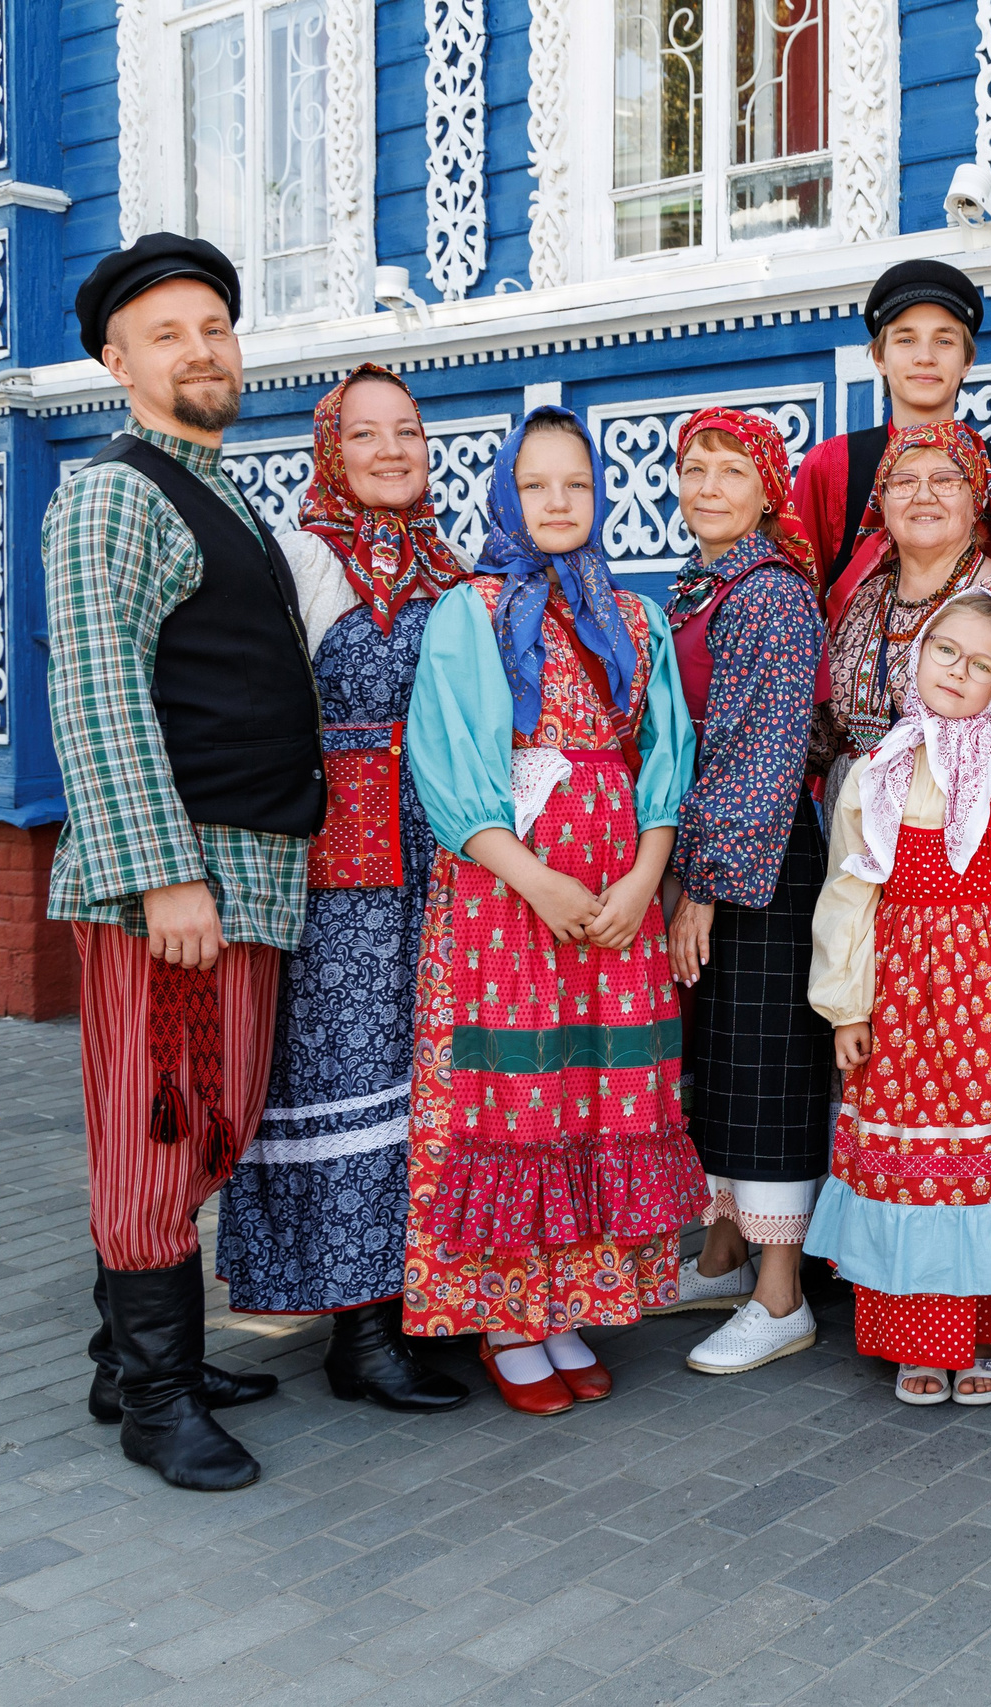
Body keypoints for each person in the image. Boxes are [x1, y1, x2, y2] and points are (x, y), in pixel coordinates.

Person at [47, 235, 322, 1493]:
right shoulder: (113, 490)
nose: (200, 349)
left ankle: (130, 1359)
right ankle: (157, 1404)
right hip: (177, 878)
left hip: (244, 869)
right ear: (118, 360)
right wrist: (165, 879)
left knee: (208, 1126)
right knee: (159, 1135)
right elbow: (101, 695)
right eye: (168, 333)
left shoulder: (213, 486)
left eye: (213, 325)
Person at [403, 407, 707, 1416]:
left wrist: (640, 883)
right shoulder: (470, 613)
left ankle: (567, 1303)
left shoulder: (634, 617)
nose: (559, 503)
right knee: (518, 1098)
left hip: (614, 897)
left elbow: (663, 759)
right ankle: (505, 1320)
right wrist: (536, 880)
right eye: (536, 486)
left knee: (594, 1096)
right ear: (504, 497)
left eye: (575, 483)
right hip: (508, 896)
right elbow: (445, 765)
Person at [208, 363, 471, 1415]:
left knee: (428, 1077)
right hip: (345, 865)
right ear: (332, 450)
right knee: (346, 1077)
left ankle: (412, 1302)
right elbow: (262, 705)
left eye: (407, 430)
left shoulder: (449, 564)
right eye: (368, 435)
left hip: (444, 852)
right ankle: (355, 1335)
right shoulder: (303, 559)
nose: (394, 450)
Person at [806, 591, 991, 1406]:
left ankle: (986, 1335)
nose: (959, 671)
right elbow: (850, 891)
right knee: (915, 1162)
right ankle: (917, 1337)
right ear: (918, 658)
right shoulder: (877, 769)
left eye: (982, 663)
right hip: (898, 997)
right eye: (946, 652)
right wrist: (845, 1003)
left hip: (984, 995)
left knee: (977, 1162)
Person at [656, 407, 836, 1376]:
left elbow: (758, 756)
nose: (708, 484)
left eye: (731, 468)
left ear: (769, 491)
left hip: (758, 863)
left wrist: (706, 888)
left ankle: (781, 1297)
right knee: (721, 1063)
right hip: (716, 857)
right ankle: (726, 1252)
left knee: (766, 1072)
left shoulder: (767, 594)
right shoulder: (699, 589)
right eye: (694, 467)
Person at [813, 419, 991, 829]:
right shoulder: (861, 601)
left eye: (945, 480)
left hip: (969, 847)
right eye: (904, 482)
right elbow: (816, 737)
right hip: (851, 838)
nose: (923, 496)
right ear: (884, 501)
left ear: (977, 497)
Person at [793, 259, 991, 596]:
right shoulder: (830, 467)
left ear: (966, 362)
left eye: (944, 341)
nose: (925, 357)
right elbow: (800, 600)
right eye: (906, 340)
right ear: (879, 358)